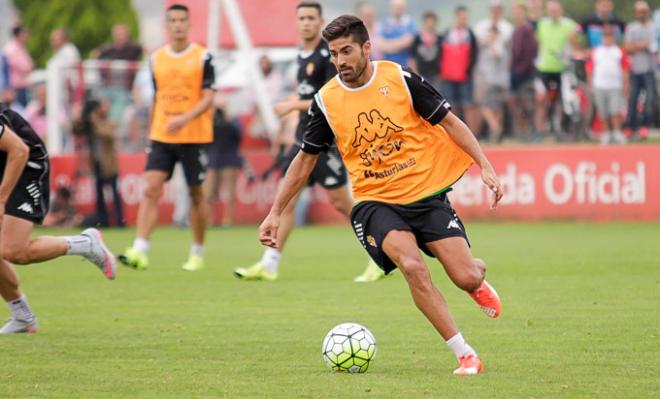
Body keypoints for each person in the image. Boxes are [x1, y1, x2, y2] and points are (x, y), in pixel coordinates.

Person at [259, 14, 503, 375]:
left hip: (426, 195)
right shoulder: (326, 101)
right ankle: (465, 353)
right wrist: (275, 211)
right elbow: (304, 159)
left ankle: (476, 276)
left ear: (366, 48)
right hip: (376, 201)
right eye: (334, 53)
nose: (340, 61)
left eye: (346, 51)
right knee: (413, 267)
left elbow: (450, 121)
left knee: (465, 276)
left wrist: (484, 164)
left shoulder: (400, 79)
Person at [233, 1, 383, 283]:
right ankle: (270, 263)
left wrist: (293, 105)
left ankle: (379, 253)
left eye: (311, 18)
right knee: (286, 201)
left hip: (325, 141)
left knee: (343, 204)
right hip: (302, 140)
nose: (306, 23)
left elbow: (331, 97)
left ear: (320, 21)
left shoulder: (330, 57)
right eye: (301, 18)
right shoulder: (301, 56)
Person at [0, 103, 116, 334]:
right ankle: (23, 316)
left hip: (26, 165)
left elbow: (20, 151)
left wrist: (1, 199)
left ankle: (85, 243)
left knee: (14, 251)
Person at [118, 4, 215, 272]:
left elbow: (209, 97)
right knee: (151, 188)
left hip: (194, 135)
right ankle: (140, 248)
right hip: (162, 134)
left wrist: (185, 118)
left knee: (196, 194)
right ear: (166, 25)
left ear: (189, 23)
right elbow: (157, 97)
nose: (177, 25)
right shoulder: (156, 58)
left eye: (182, 20)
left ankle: (197, 251)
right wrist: (151, 131)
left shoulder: (203, 57)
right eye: (172, 20)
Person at [534, 0, 579, 139]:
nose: (553, 12)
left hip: (562, 69)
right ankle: (539, 131)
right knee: (542, 100)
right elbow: (538, 42)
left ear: (561, 10)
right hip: (544, 68)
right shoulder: (541, 24)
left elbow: (575, 44)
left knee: (564, 99)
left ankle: (562, 128)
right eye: (551, 10)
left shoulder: (569, 25)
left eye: (556, 10)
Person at [79, 96, 125, 227]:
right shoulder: (91, 124)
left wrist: (95, 121)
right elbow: (77, 130)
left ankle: (120, 221)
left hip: (109, 165)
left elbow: (107, 134)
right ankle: (103, 221)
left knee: (115, 194)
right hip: (96, 163)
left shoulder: (109, 122)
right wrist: (81, 117)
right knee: (99, 195)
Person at [587, 25, 630, 145]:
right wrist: (590, 83)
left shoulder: (618, 51)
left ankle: (617, 132)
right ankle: (605, 133)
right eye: (606, 36)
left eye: (610, 36)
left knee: (615, 111)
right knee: (603, 112)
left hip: (615, 85)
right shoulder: (596, 51)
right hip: (600, 85)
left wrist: (626, 84)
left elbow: (625, 68)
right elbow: (590, 68)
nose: (608, 39)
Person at [93, 24, 143, 123]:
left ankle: (110, 127)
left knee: (116, 108)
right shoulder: (108, 49)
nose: (120, 36)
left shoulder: (133, 48)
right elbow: (95, 54)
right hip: (107, 87)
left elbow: (144, 50)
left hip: (123, 89)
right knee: (96, 102)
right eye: (118, 34)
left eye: (122, 34)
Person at [205, 95, 242, 227]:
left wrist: (227, 119)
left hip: (229, 157)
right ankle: (208, 220)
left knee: (229, 192)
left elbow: (238, 136)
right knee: (208, 192)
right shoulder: (208, 119)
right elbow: (205, 137)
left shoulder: (233, 119)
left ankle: (228, 220)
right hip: (213, 158)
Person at [439, 6, 479, 128]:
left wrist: (469, 70)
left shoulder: (470, 35)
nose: (463, 19)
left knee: (467, 105)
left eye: (465, 17)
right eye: (461, 17)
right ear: (456, 17)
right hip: (448, 76)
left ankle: (472, 132)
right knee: (451, 106)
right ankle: (453, 132)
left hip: (465, 76)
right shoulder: (447, 34)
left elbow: (475, 54)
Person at [624, 1, 657, 140]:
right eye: (639, 11)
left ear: (648, 12)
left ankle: (645, 126)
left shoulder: (655, 27)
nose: (642, 14)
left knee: (650, 100)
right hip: (635, 70)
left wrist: (636, 46)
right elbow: (627, 48)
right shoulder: (632, 28)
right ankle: (632, 128)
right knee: (632, 100)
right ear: (636, 13)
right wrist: (642, 45)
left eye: (644, 11)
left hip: (650, 69)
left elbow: (653, 46)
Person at [510, 1, 538, 139]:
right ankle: (521, 132)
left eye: (519, 11)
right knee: (518, 104)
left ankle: (530, 132)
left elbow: (530, 52)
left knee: (527, 104)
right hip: (515, 72)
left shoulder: (527, 28)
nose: (516, 14)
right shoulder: (516, 29)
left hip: (525, 73)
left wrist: (522, 69)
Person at [378, 0, 416, 67]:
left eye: (400, 6)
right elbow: (381, 46)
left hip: (405, 66)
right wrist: (401, 42)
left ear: (404, 7)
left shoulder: (410, 23)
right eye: (396, 6)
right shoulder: (386, 24)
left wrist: (389, 45)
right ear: (391, 7)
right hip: (389, 65)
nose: (397, 9)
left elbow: (408, 42)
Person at [2, 25, 33, 107]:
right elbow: (26, 66)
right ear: (19, 34)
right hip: (15, 88)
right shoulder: (11, 49)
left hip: (22, 86)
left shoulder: (20, 47)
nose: (26, 37)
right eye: (24, 34)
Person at [409, 11, 443, 86]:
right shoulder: (417, 38)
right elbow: (412, 57)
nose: (430, 25)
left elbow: (443, 57)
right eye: (428, 22)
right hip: (421, 74)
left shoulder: (440, 38)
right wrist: (415, 73)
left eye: (432, 22)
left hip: (436, 75)